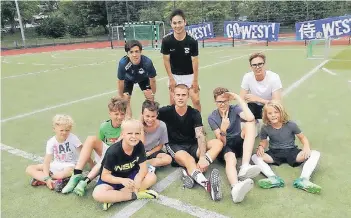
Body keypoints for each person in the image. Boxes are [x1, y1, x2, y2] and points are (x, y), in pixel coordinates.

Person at [158, 84, 223, 201]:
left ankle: (192, 172)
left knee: (218, 143)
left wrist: (203, 157)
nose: (180, 98)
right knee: (190, 160)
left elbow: (200, 135)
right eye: (178, 95)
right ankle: (208, 186)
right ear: (173, 96)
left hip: (193, 145)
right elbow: (147, 115)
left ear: (188, 96)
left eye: (183, 95)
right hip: (175, 147)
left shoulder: (194, 113)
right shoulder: (165, 111)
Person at [251, 101, 321, 194]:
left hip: (292, 152)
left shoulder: (291, 124)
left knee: (315, 153)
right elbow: (263, 141)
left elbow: (302, 138)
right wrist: (260, 147)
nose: (273, 115)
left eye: (276, 112)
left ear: (281, 113)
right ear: (266, 115)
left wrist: (306, 147)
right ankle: (273, 178)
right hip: (274, 153)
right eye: (270, 113)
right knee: (255, 157)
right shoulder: (265, 127)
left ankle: (304, 179)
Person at [62, 97, 128, 195]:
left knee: (109, 153)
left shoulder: (126, 126)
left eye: (122, 114)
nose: (119, 117)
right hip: (106, 152)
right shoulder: (104, 126)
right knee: (91, 139)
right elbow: (100, 142)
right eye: (116, 114)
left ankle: (85, 180)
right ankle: (76, 174)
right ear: (110, 114)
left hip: (118, 156)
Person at [208, 87, 261, 203]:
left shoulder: (235, 109)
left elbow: (251, 118)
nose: (222, 104)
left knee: (250, 124)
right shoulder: (212, 117)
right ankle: (235, 187)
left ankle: (245, 166)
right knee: (230, 158)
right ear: (215, 102)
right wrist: (223, 129)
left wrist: (237, 97)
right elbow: (222, 142)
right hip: (225, 144)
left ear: (229, 101)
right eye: (219, 102)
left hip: (239, 141)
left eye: (225, 101)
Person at [92, 119, 158, 211]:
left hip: (131, 176)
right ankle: (135, 195)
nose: (134, 137)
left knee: (152, 177)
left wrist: (138, 179)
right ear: (122, 134)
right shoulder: (113, 151)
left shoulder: (139, 146)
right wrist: (122, 180)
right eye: (130, 133)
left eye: (137, 133)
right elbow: (104, 176)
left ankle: (114, 198)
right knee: (97, 194)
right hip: (114, 179)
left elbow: (143, 169)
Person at [26, 114, 82, 192]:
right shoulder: (51, 142)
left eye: (67, 130)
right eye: (61, 130)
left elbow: (83, 152)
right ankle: (52, 182)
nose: (64, 133)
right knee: (29, 168)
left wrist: (91, 164)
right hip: (56, 164)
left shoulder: (73, 138)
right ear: (54, 129)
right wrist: (47, 178)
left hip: (71, 165)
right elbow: (47, 162)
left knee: (60, 175)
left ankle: (43, 179)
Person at [161, 9, 201, 111]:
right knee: (173, 103)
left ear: (185, 22)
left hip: (190, 76)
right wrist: (171, 78)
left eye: (180, 22)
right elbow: (166, 60)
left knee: (196, 100)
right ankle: (175, 125)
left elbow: (195, 61)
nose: (177, 26)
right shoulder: (166, 41)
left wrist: (195, 80)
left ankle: (198, 124)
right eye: (174, 23)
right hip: (175, 76)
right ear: (171, 24)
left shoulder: (192, 41)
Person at [117, 40, 157, 117]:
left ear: (141, 52)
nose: (134, 55)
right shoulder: (123, 63)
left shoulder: (147, 62)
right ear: (127, 54)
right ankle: (129, 121)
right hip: (128, 79)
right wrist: (121, 95)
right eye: (131, 52)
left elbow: (153, 80)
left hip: (143, 78)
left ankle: (148, 118)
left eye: (136, 51)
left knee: (150, 98)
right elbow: (120, 81)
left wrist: (152, 93)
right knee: (125, 100)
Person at [240, 53, 282, 120]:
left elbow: (277, 103)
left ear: (265, 65)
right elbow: (241, 99)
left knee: (274, 112)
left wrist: (258, 99)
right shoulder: (247, 77)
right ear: (250, 67)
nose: (257, 67)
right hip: (255, 106)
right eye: (254, 65)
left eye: (260, 64)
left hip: (269, 106)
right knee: (243, 113)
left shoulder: (274, 77)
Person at [141, 100, 172, 172]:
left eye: (153, 116)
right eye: (147, 116)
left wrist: (148, 153)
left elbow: (160, 145)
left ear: (157, 115)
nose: (150, 119)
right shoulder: (137, 125)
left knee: (168, 159)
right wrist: (140, 127)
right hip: (138, 152)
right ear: (142, 114)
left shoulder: (162, 126)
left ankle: (144, 165)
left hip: (152, 151)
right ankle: (143, 165)